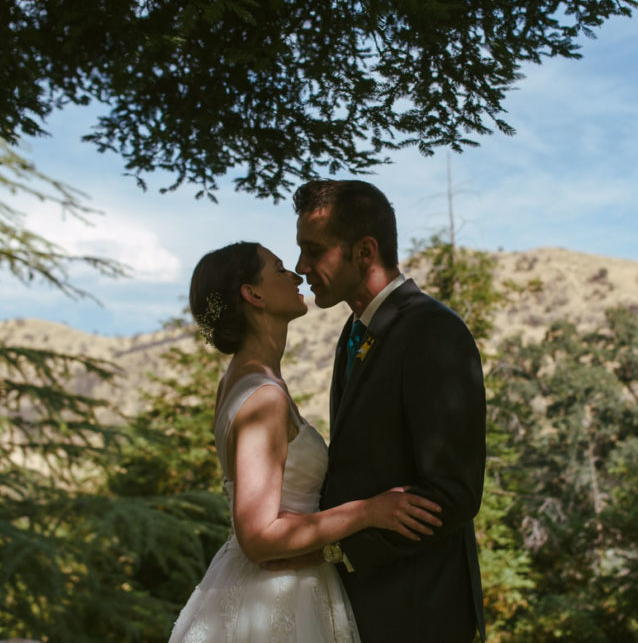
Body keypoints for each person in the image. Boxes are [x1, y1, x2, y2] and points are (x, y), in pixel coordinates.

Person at [169, 241, 442, 643]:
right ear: (253, 294)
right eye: (280, 268)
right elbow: (258, 537)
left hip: (282, 580)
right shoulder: (262, 397)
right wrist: (370, 511)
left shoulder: (241, 380)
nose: (296, 275)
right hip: (276, 598)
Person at [293, 180, 487, 642]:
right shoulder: (352, 333)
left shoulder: (434, 332)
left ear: (365, 252)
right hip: (364, 607)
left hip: (420, 611)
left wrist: (341, 550)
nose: (300, 267)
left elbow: (454, 493)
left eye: (313, 250)